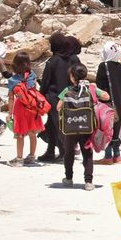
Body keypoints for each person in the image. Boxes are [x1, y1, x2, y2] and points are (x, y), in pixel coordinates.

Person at [57, 62, 103, 190]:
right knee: (87, 154)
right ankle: (88, 181)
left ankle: (68, 178)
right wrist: (93, 88)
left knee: (69, 153)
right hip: (86, 127)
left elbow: (58, 107)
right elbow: (106, 96)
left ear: (72, 77)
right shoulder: (90, 89)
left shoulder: (67, 90)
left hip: (70, 128)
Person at [6, 54, 46, 165]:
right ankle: (32, 156)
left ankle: (19, 159)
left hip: (20, 107)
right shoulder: (32, 75)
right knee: (32, 132)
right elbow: (33, 91)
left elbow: (11, 98)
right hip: (32, 107)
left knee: (20, 133)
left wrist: (10, 113)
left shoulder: (12, 80)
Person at [39, 33, 73, 163]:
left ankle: (64, 152)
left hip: (53, 97)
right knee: (54, 125)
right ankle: (51, 151)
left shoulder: (52, 61)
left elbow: (46, 81)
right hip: (67, 96)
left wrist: (40, 96)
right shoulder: (70, 60)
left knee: (57, 126)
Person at [96, 43, 121, 162]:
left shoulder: (103, 66)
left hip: (107, 103)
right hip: (119, 102)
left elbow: (99, 86)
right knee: (116, 127)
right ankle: (117, 156)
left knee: (106, 127)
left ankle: (108, 156)